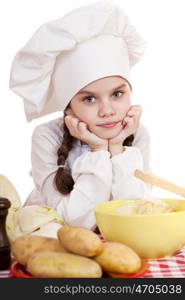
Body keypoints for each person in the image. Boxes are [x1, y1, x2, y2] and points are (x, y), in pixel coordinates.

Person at [9, 0, 152, 230]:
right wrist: (97, 150)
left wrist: (117, 147)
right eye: (89, 99)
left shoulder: (136, 133)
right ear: (68, 107)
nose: (107, 111)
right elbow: (75, 223)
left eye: (117, 94)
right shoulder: (47, 138)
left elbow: (137, 215)